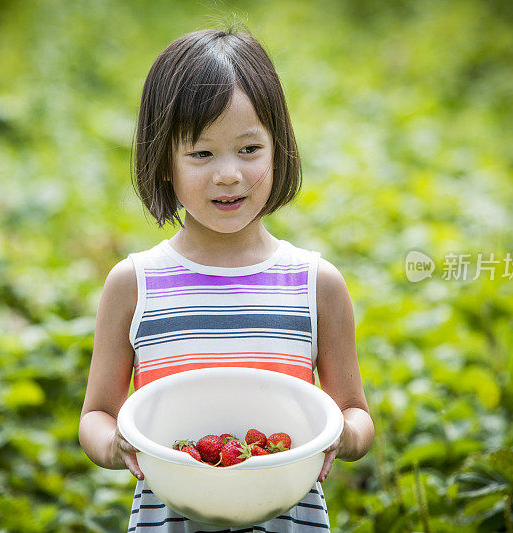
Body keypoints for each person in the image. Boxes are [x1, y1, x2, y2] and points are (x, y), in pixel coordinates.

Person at [79, 27, 374, 532]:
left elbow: (355, 412)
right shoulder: (134, 284)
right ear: (164, 162)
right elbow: (96, 416)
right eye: (201, 154)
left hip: (287, 514)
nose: (229, 174)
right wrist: (115, 442)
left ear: (279, 149)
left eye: (249, 149)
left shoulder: (315, 283)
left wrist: (342, 435)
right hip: (170, 515)